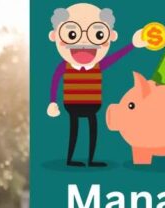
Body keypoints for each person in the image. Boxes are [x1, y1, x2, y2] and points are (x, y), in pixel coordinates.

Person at [48, 3, 147, 167]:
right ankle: (70, 159)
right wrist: (53, 102)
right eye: (72, 33)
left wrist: (133, 45)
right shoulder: (65, 66)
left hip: (92, 104)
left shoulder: (97, 65)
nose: (84, 42)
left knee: (93, 130)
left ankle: (91, 159)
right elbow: (55, 81)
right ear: (54, 36)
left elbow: (116, 57)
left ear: (111, 36)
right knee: (75, 130)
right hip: (72, 104)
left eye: (98, 34)